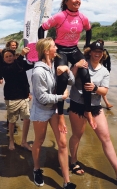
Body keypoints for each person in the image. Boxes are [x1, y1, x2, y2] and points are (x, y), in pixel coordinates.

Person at [68, 40, 117, 183]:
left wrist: (94, 88)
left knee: (105, 137)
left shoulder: (104, 71)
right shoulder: (82, 63)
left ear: (102, 53)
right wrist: (75, 66)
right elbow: (70, 81)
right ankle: (73, 162)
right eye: (95, 51)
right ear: (90, 52)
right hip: (77, 105)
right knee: (77, 135)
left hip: (95, 107)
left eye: (100, 52)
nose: (97, 54)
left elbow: (104, 90)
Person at [38, 0, 96, 132]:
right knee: (62, 78)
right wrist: (43, 46)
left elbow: (89, 29)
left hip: (75, 49)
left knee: (86, 76)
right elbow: (42, 28)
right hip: (61, 50)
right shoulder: (60, 16)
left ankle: (88, 110)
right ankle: (60, 113)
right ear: (66, 1)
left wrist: (87, 45)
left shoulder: (83, 18)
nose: (77, 1)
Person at [31, 37, 76, 189]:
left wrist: (67, 69)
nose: (57, 48)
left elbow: (71, 82)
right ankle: (36, 169)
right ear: (46, 50)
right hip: (42, 111)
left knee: (62, 143)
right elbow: (42, 97)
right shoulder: (38, 72)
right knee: (39, 141)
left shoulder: (56, 63)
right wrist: (61, 97)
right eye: (54, 46)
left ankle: (66, 181)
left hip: (55, 109)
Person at [0, 47, 34, 150]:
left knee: (26, 119)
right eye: (6, 57)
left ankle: (24, 142)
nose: (9, 58)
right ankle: (11, 140)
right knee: (12, 121)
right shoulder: (3, 66)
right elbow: (14, 69)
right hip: (12, 97)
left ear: (14, 56)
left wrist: (32, 56)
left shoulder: (19, 63)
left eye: (11, 56)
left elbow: (30, 65)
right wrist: (21, 56)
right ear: (3, 58)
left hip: (23, 96)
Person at [0, 40, 19, 135]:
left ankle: (13, 124)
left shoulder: (17, 54)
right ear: (9, 45)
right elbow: (0, 64)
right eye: (12, 45)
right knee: (11, 107)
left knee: (17, 106)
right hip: (9, 82)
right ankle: (10, 126)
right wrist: (0, 77)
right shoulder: (4, 54)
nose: (14, 46)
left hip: (18, 82)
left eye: (15, 45)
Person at [98, 39, 113, 109]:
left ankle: (106, 103)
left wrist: (108, 70)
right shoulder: (94, 52)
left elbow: (108, 61)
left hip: (103, 71)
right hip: (96, 70)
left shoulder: (105, 52)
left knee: (102, 87)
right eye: (98, 44)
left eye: (101, 44)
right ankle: (106, 103)